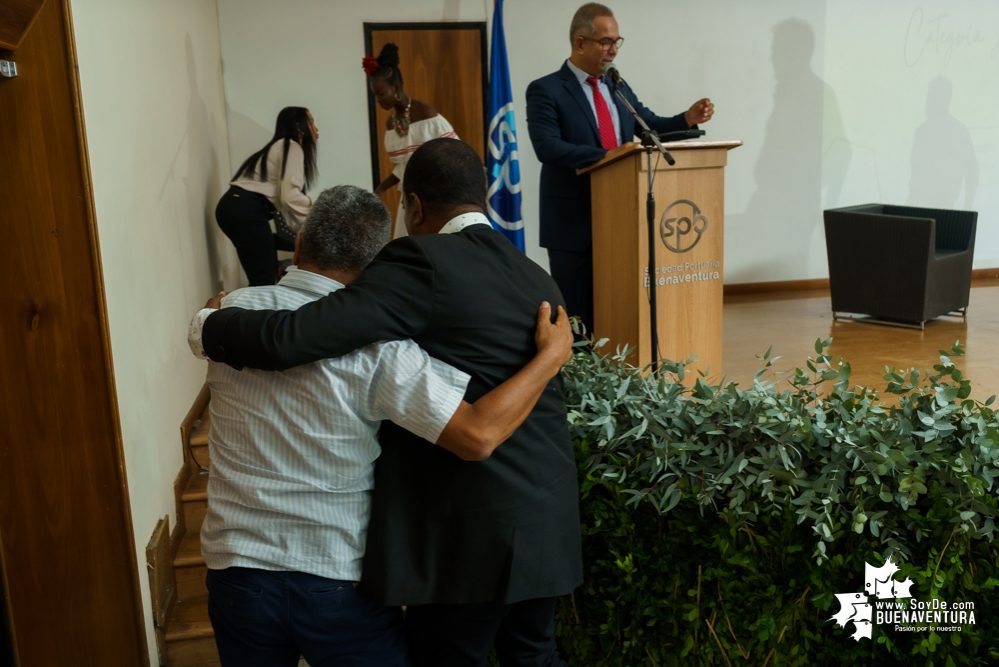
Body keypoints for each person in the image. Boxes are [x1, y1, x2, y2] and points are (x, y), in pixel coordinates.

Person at [189, 138, 581, 667]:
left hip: (454, 539)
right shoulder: (536, 275)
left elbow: (295, 336)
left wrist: (208, 323)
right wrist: (552, 358)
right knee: (534, 656)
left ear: (415, 206)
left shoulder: (413, 266)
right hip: (542, 520)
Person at [525, 2, 715, 334]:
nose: (613, 50)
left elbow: (649, 127)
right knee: (577, 314)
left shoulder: (616, 85)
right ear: (580, 42)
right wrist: (610, 156)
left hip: (620, 219)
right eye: (606, 42)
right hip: (573, 223)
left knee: (618, 307)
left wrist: (687, 120)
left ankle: (617, 378)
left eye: (617, 42)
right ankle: (574, 381)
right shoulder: (546, 89)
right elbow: (548, 147)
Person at [364, 43, 458, 239]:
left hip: (435, 199)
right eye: (375, 95)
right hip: (409, 200)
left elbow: (454, 152)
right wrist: (382, 188)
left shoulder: (425, 113)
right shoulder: (391, 123)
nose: (378, 99)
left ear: (396, 87)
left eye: (381, 93)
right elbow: (405, 167)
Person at [216, 106, 318, 285]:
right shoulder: (291, 146)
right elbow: (290, 197)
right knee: (264, 281)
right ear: (298, 126)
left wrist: (308, 232)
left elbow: (288, 206)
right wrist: (322, 208)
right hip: (246, 210)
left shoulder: (282, 146)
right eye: (311, 122)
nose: (316, 129)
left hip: (235, 207)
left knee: (263, 279)